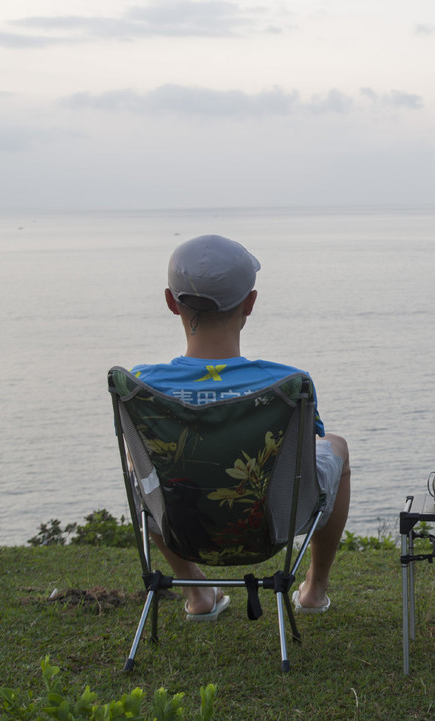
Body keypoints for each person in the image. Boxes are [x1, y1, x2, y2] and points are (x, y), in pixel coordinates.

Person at [131, 234, 351, 619]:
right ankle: (314, 590)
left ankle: (198, 591)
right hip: (272, 527)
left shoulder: (140, 386)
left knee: (139, 468)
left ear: (170, 302)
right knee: (337, 446)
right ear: (250, 303)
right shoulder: (288, 384)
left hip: (179, 525)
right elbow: (308, 450)